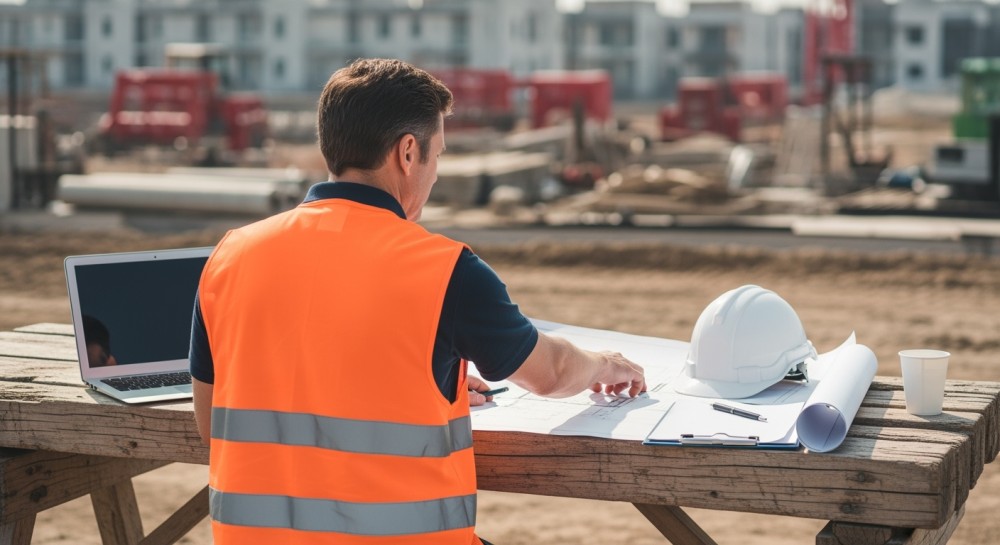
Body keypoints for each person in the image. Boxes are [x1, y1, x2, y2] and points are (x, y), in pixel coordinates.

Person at [189, 58, 646, 545]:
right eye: (437, 156)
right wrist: (602, 364)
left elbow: (210, 423)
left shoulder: (231, 255)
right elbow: (550, 373)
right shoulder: (446, 270)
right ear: (408, 153)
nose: (433, 175)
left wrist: (421, 386)